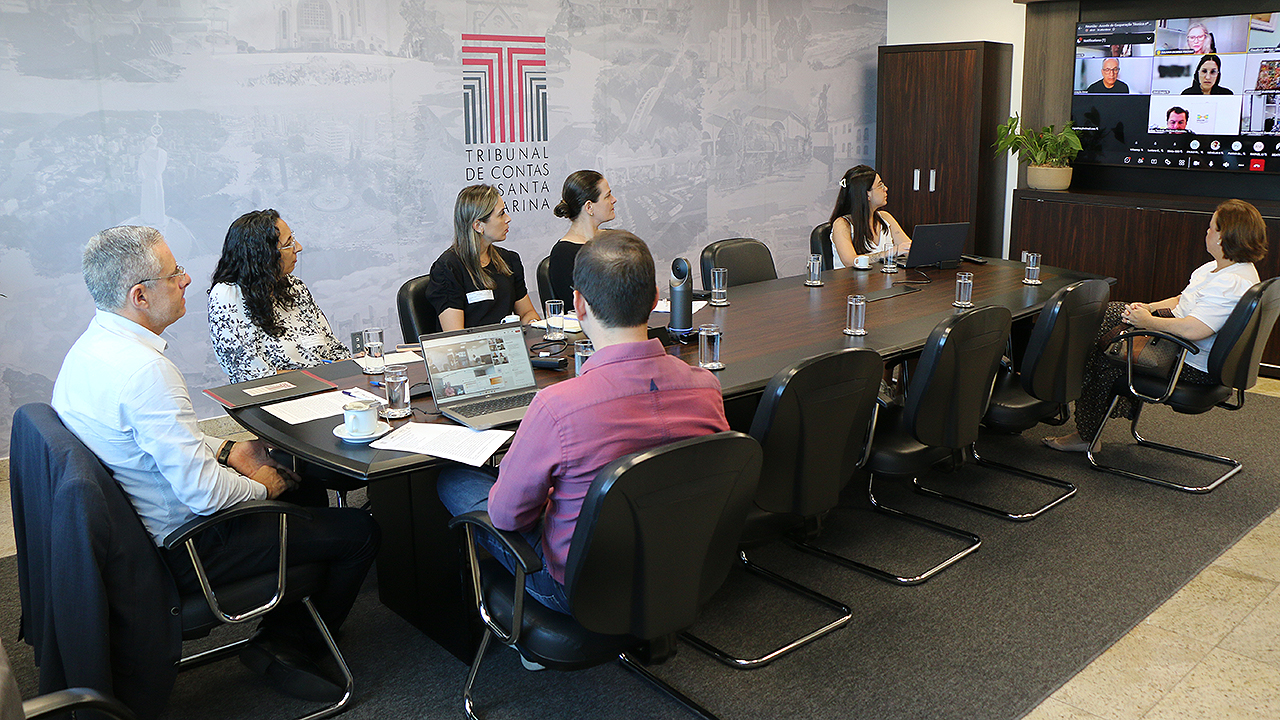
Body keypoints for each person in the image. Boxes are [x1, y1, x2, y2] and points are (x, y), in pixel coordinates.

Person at [51, 225, 379, 702]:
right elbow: (203, 495)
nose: (186, 280)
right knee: (360, 533)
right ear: (140, 295)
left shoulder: (91, 351)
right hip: (189, 547)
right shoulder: (146, 373)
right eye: (175, 272)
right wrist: (264, 487)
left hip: (140, 534)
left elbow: (153, 441)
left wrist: (229, 451)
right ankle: (286, 642)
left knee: (301, 487)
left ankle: (293, 618)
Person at [436, 230, 729, 614]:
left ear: (579, 305)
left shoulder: (557, 407)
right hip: (679, 565)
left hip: (582, 588)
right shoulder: (706, 387)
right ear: (656, 298)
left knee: (453, 480)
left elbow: (508, 517)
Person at [1044, 199, 1267, 453]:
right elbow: (1183, 299)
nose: (1207, 232)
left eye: (1212, 228)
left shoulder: (1230, 284)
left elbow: (1195, 330)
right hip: (1177, 342)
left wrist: (1147, 322)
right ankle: (1062, 391)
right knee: (1103, 314)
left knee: (1101, 353)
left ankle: (1080, 429)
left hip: (1188, 362)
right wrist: (1148, 307)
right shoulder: (1222, 269)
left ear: (1224, 237)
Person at [208, 209, 349, 383]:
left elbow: (334, 350)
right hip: (276, 401)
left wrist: (357, 365)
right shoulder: (228, 295)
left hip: (326, 389)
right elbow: (250, 376)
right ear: (264, 254)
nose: (299, 248)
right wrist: (319, 377)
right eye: (289, 243)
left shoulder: (295, 286)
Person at [426, 184, 540, 331]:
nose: (508, 219)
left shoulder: (509, 260)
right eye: (501, 214)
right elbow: (455, 335)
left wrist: (532, 322)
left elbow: (526, 312)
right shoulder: (448, 268)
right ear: (478, 225)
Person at [547, 170, 616, 305]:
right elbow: (577, 305)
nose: (614, 200)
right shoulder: (563, 254)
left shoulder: (613, 239)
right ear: (589, 207)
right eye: (607, 196)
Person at [828, 165, 912, 269]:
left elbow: (909, 249)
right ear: (867, 194)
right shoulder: (842, 224)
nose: (885, 188)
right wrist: (890, 253)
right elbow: (850, 261)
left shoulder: (886, 218)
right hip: (851, 283)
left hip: (881, 281)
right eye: (880, 185)